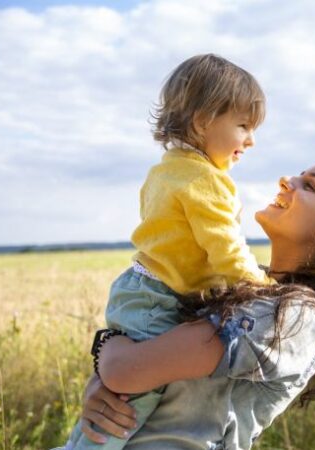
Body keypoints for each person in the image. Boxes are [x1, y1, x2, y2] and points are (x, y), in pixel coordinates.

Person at [69, 159, 315, 449]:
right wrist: (103, 386)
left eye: (309, 185)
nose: (287, 181)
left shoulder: (297, 316)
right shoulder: (244, 286)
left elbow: (126, 369)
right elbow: (134, 366)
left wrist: (108, 352)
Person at [64, 54, 274, 450]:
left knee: (126, 388)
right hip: (158, 299)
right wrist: (265, 289)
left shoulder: (166, 170)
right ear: (202, 122)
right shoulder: (206, 181)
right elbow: (227, 251)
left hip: (140, 291)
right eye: (243, 125)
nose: (251, 139)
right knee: (130, 398)